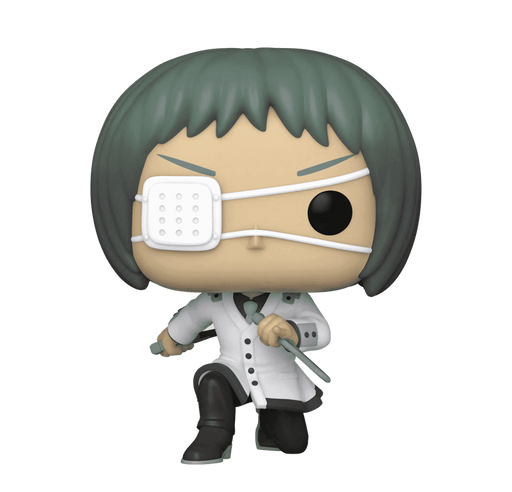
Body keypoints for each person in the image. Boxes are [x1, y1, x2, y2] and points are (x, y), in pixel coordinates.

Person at [87, 44, 425, 468]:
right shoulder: (213, 300)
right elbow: (189, 321)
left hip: (281, 378)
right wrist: (170, 341)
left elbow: (323, 333)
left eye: (327, 210)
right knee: (211, 380)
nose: (255, 238)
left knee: (292, 442)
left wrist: (294, 331)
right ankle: (213, 433)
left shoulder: (294, 300)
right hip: (230, 369)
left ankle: (270, 427)